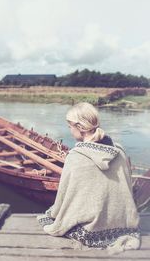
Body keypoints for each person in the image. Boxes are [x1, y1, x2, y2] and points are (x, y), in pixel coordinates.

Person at [37, 102, 140, 253]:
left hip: (89, 233)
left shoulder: (76, 156)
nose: (69, 129)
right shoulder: (119, 150)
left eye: (70, 125)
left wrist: (54, 215)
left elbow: (65, 196)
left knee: (51, 215)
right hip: (122, 225)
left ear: (79, 127)